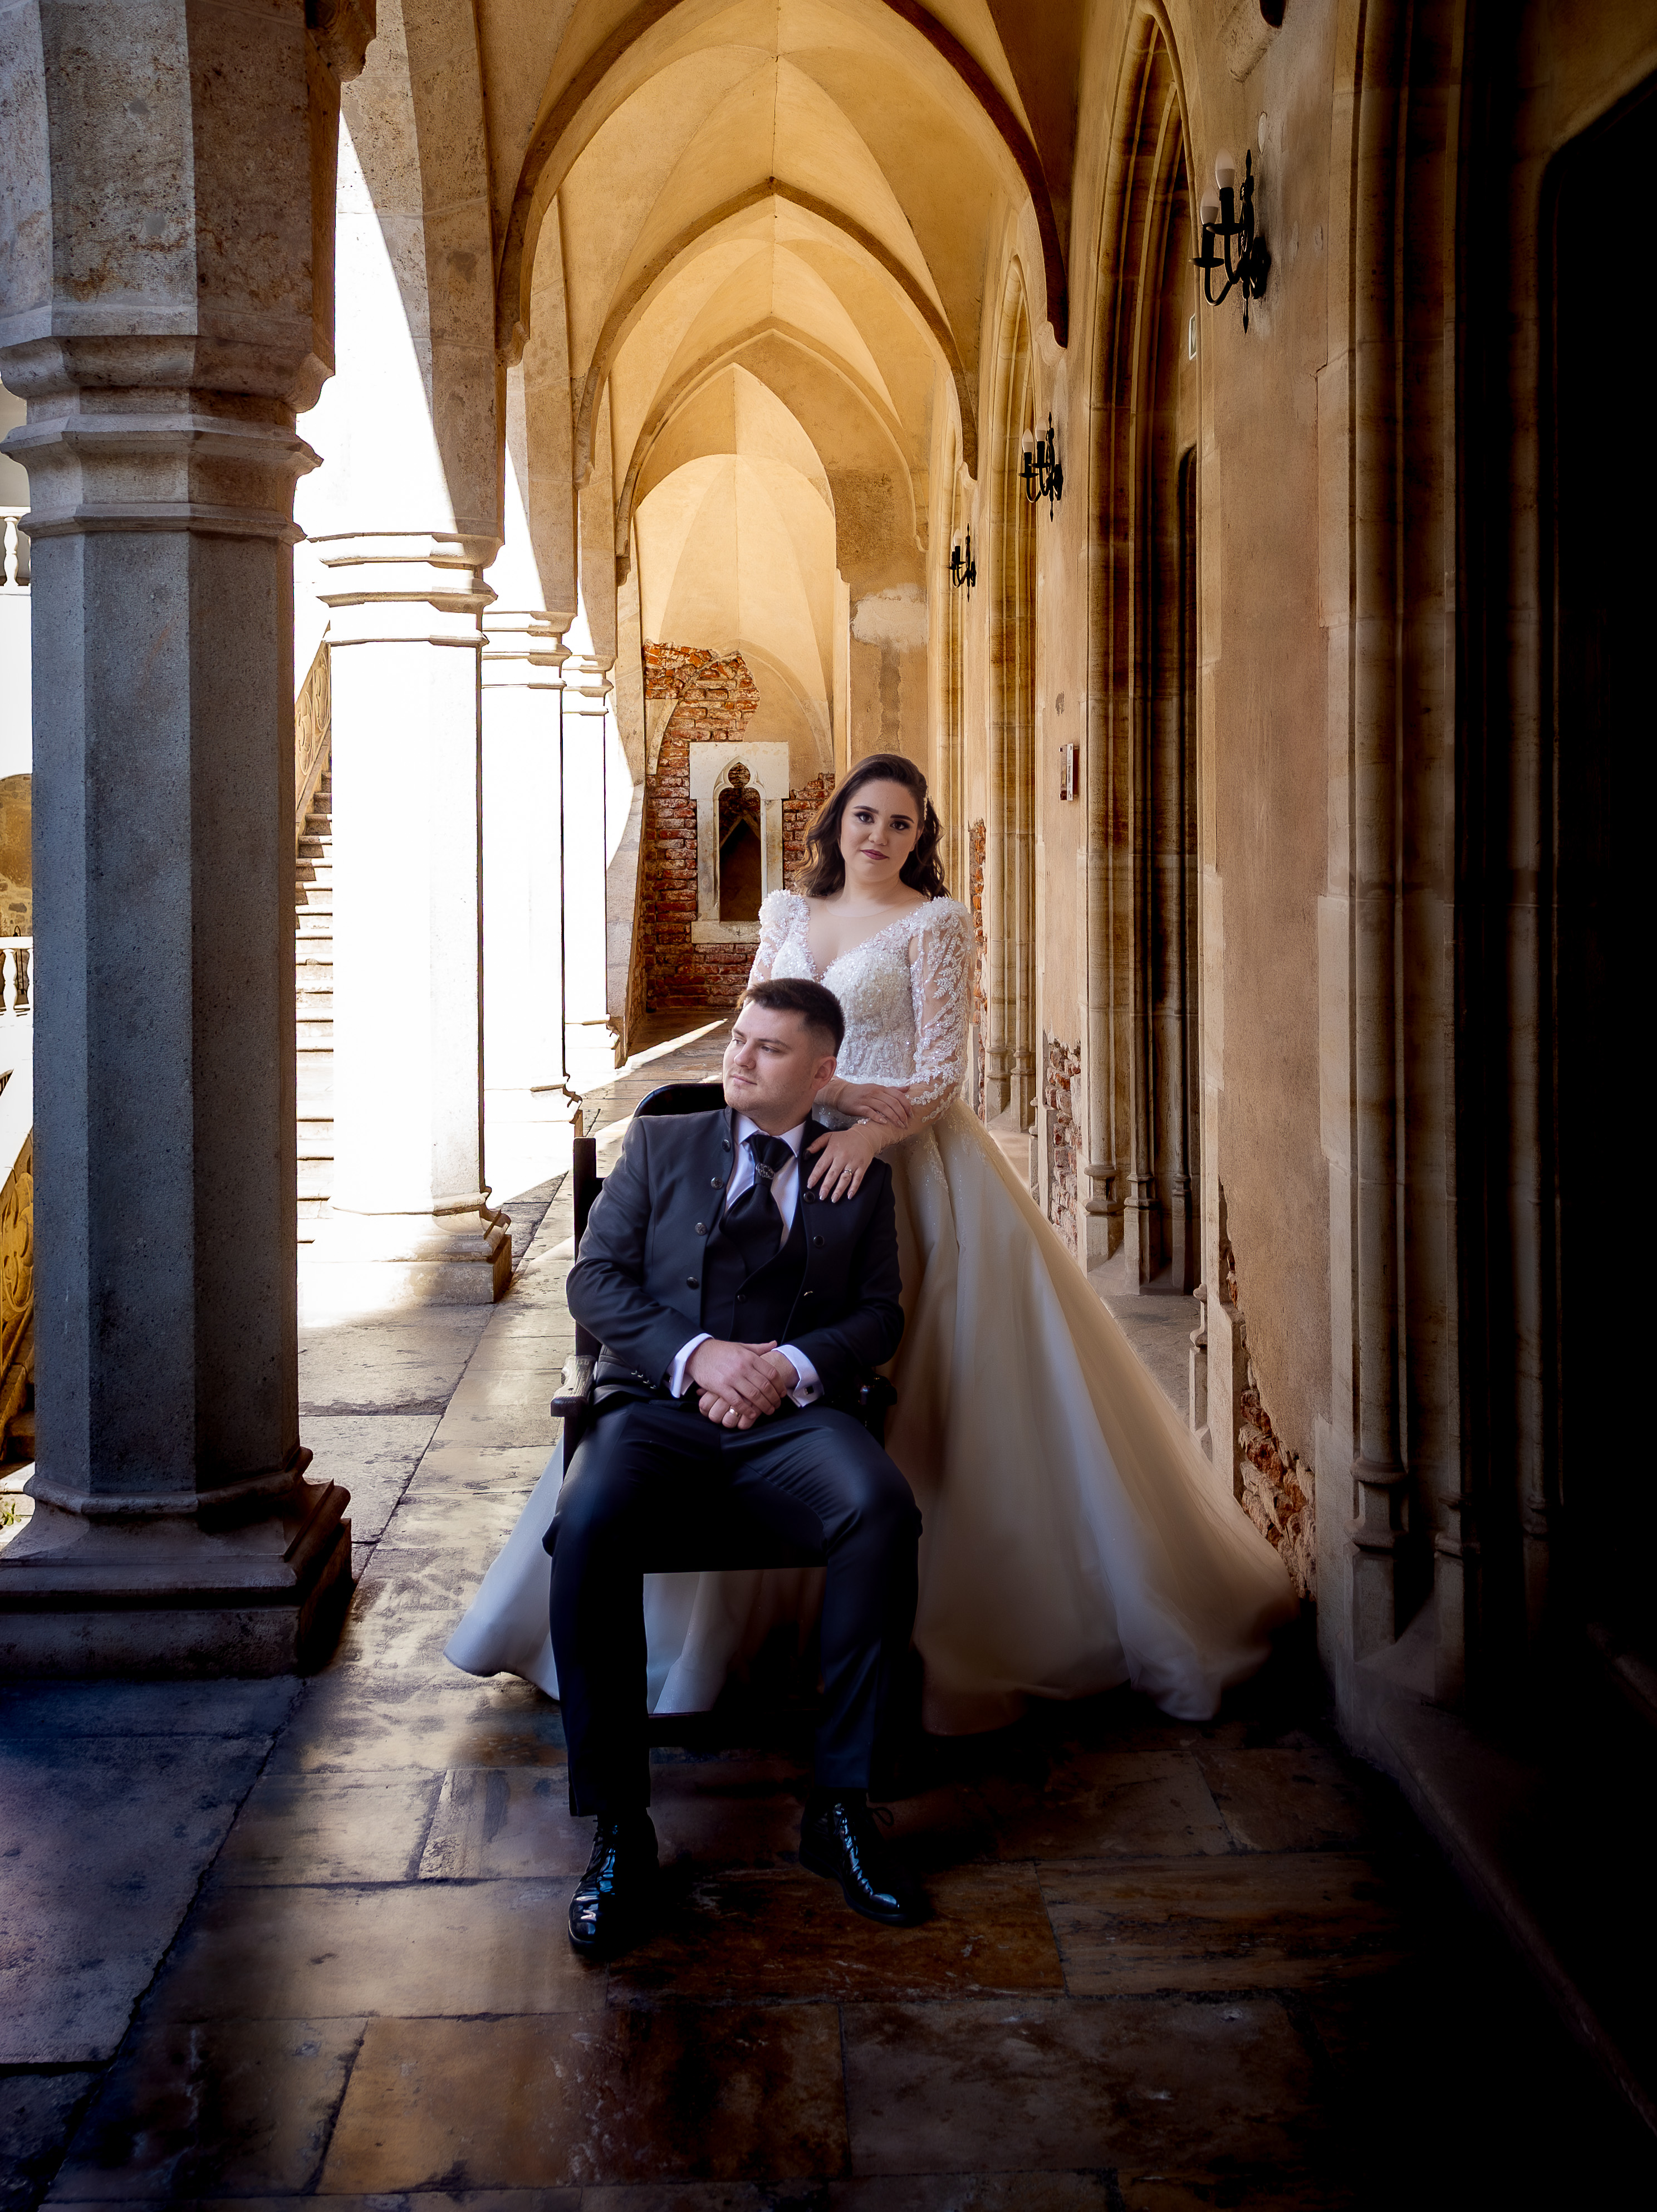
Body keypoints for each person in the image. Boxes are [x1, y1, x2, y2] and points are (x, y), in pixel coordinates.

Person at [447, 756, 1295, 1858]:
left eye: (900, 822)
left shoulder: (935, 923)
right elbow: (756, 1031)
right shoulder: (789, 913)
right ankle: (719, 1655)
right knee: (736, 1336)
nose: (878, 836)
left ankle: (914, 1644)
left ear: (917, 835)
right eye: (864, 816)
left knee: (907, 1392)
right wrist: (809, 1106)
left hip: (904, 1168)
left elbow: (938, 1069)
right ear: (836, 823)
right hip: (801, 1139)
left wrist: (865, 1130)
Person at [542, 975, 926, 1956]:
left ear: (821, 1072)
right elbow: (593, 1281)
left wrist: (785, 1368)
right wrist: (699, 1356)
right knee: (586, 1524)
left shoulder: (858, 1176)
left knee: (880, 1508)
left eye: (768, 1047)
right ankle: (619, 1826)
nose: (739, 1057)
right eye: (740, 1039)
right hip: (655, 1409)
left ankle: (840, 1807)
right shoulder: (661, 1144)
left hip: (791, 1420)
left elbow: (877, 1317)